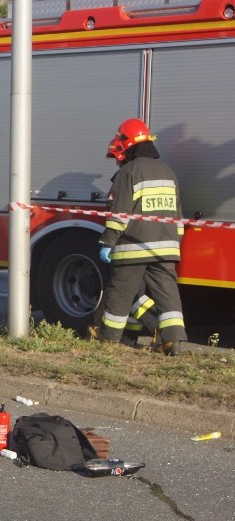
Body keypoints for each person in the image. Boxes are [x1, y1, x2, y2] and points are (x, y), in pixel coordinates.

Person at [94, 118, 187, 355]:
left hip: (134, 245)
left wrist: (108, 242)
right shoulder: (168, 172)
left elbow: (120, 214)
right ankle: (172, 341)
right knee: (167, 292)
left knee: (121, 290)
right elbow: (176, 215)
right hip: (166, 247)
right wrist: (175, 243)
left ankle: (109, 336)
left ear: (125, 146)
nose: (117, 160)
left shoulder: (129, 172)